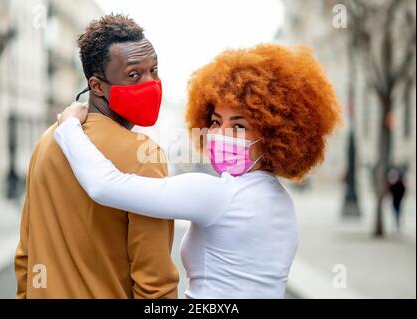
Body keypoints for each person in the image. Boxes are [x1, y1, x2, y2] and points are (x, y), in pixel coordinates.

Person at [55, 44, 342, 298]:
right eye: (216, 122)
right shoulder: (283, 203)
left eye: (239, 127)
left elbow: (105, 186)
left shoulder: (217, 195)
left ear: (273, 135)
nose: (220, 135)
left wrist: (69, 127)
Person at [14, 14, 178, 298]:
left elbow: (25, 257)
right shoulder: (145, 154)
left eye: (154, 70)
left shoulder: (46, 142)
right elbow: (156, 282)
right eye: (134, 75)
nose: (151, 83)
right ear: (97, 86)